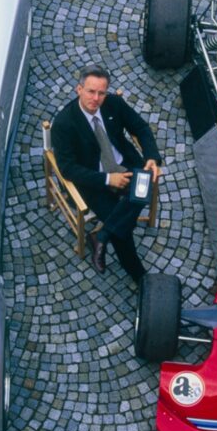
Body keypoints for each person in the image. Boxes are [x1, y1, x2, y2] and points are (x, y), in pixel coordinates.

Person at [50, 65, 162, 284]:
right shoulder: (64, 123)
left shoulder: (114, 104)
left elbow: (141, 127)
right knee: (124, 229)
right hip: (93, 180)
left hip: (124, 165)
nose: (96, 98)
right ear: (79, 89)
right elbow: (67, 168)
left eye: (101, 93)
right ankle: (139, 277)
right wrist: (109, 179)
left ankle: (101, 236)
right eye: (91, 91)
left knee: (143, 185)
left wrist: (151, 157)